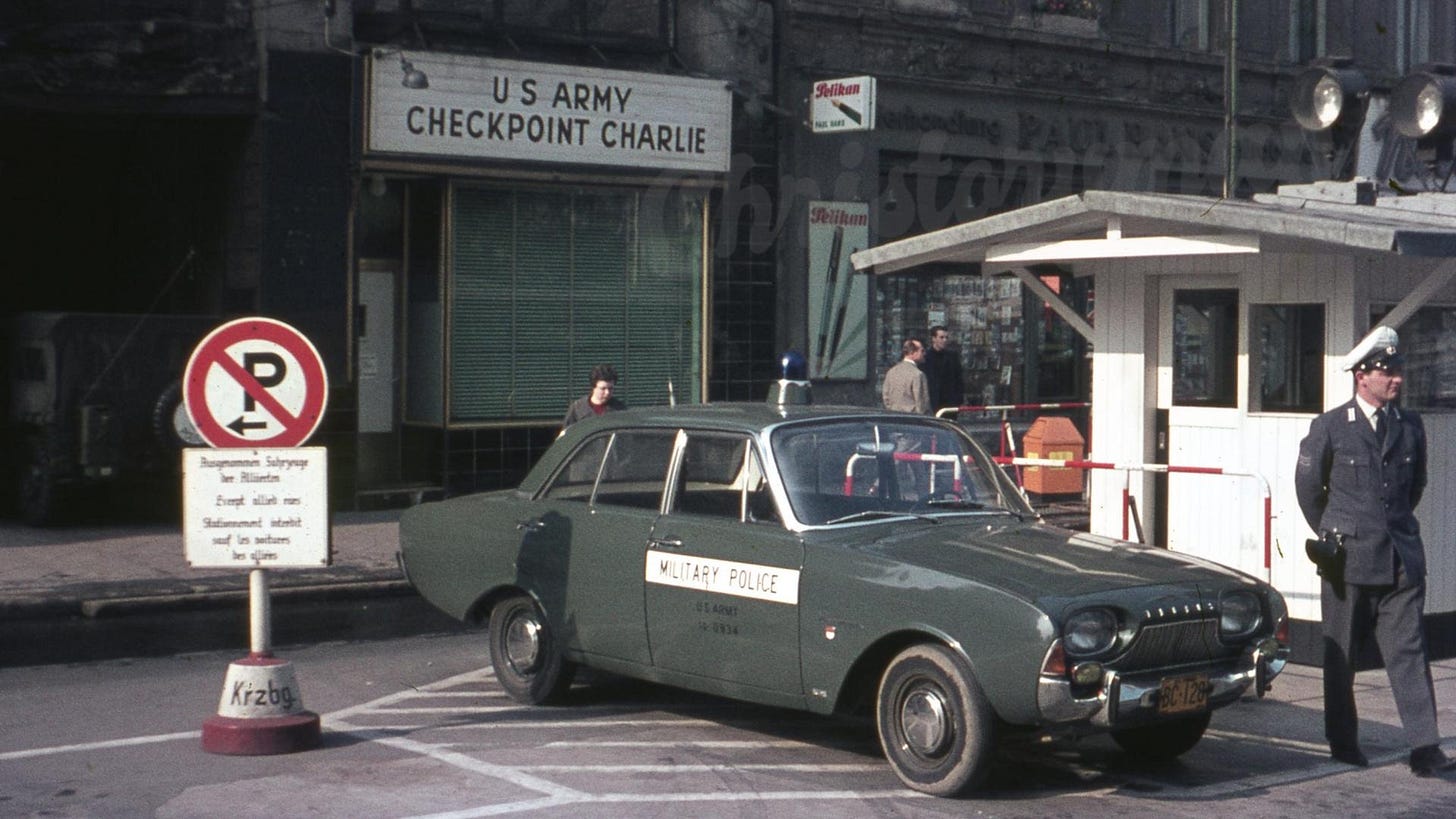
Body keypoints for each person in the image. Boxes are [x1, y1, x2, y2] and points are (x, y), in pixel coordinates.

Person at [1294, 325, 1456, 777]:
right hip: (1347, 561)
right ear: (1362, 376)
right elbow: (1309, 489)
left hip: (1400, 561)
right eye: (1387, 371)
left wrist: (1390, 532)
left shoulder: (1410, 426)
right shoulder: (1330, 427)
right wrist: (1335, 534)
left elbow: (1414, 486)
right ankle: (1343, 740)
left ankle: (1425, 746)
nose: (1397, 378)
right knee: (1340, 654)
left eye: (1398, 369)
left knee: (1408, 652)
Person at [561, 364, 625, 430]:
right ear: (593, 387)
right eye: (603, 388)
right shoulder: (577, 409)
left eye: (610, 388)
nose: (607, 392)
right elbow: (567, 434)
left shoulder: (619, 409)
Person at [922, 325, 965, 413]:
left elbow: (959, 378)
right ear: (933, 339)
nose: (944, 340)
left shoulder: (952, 356)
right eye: (941, 337)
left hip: (950, 402)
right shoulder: (925, 357)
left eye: (946, 337)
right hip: (932, 401)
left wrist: (958, 399)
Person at [882, 338, 930, 414]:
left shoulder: (891, 372)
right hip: (913, 420)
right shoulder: (918, 375)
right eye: (922, 351)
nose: (924, 354)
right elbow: (922, 404)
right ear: (912, 352)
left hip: (893, 417)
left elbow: (886, 397)